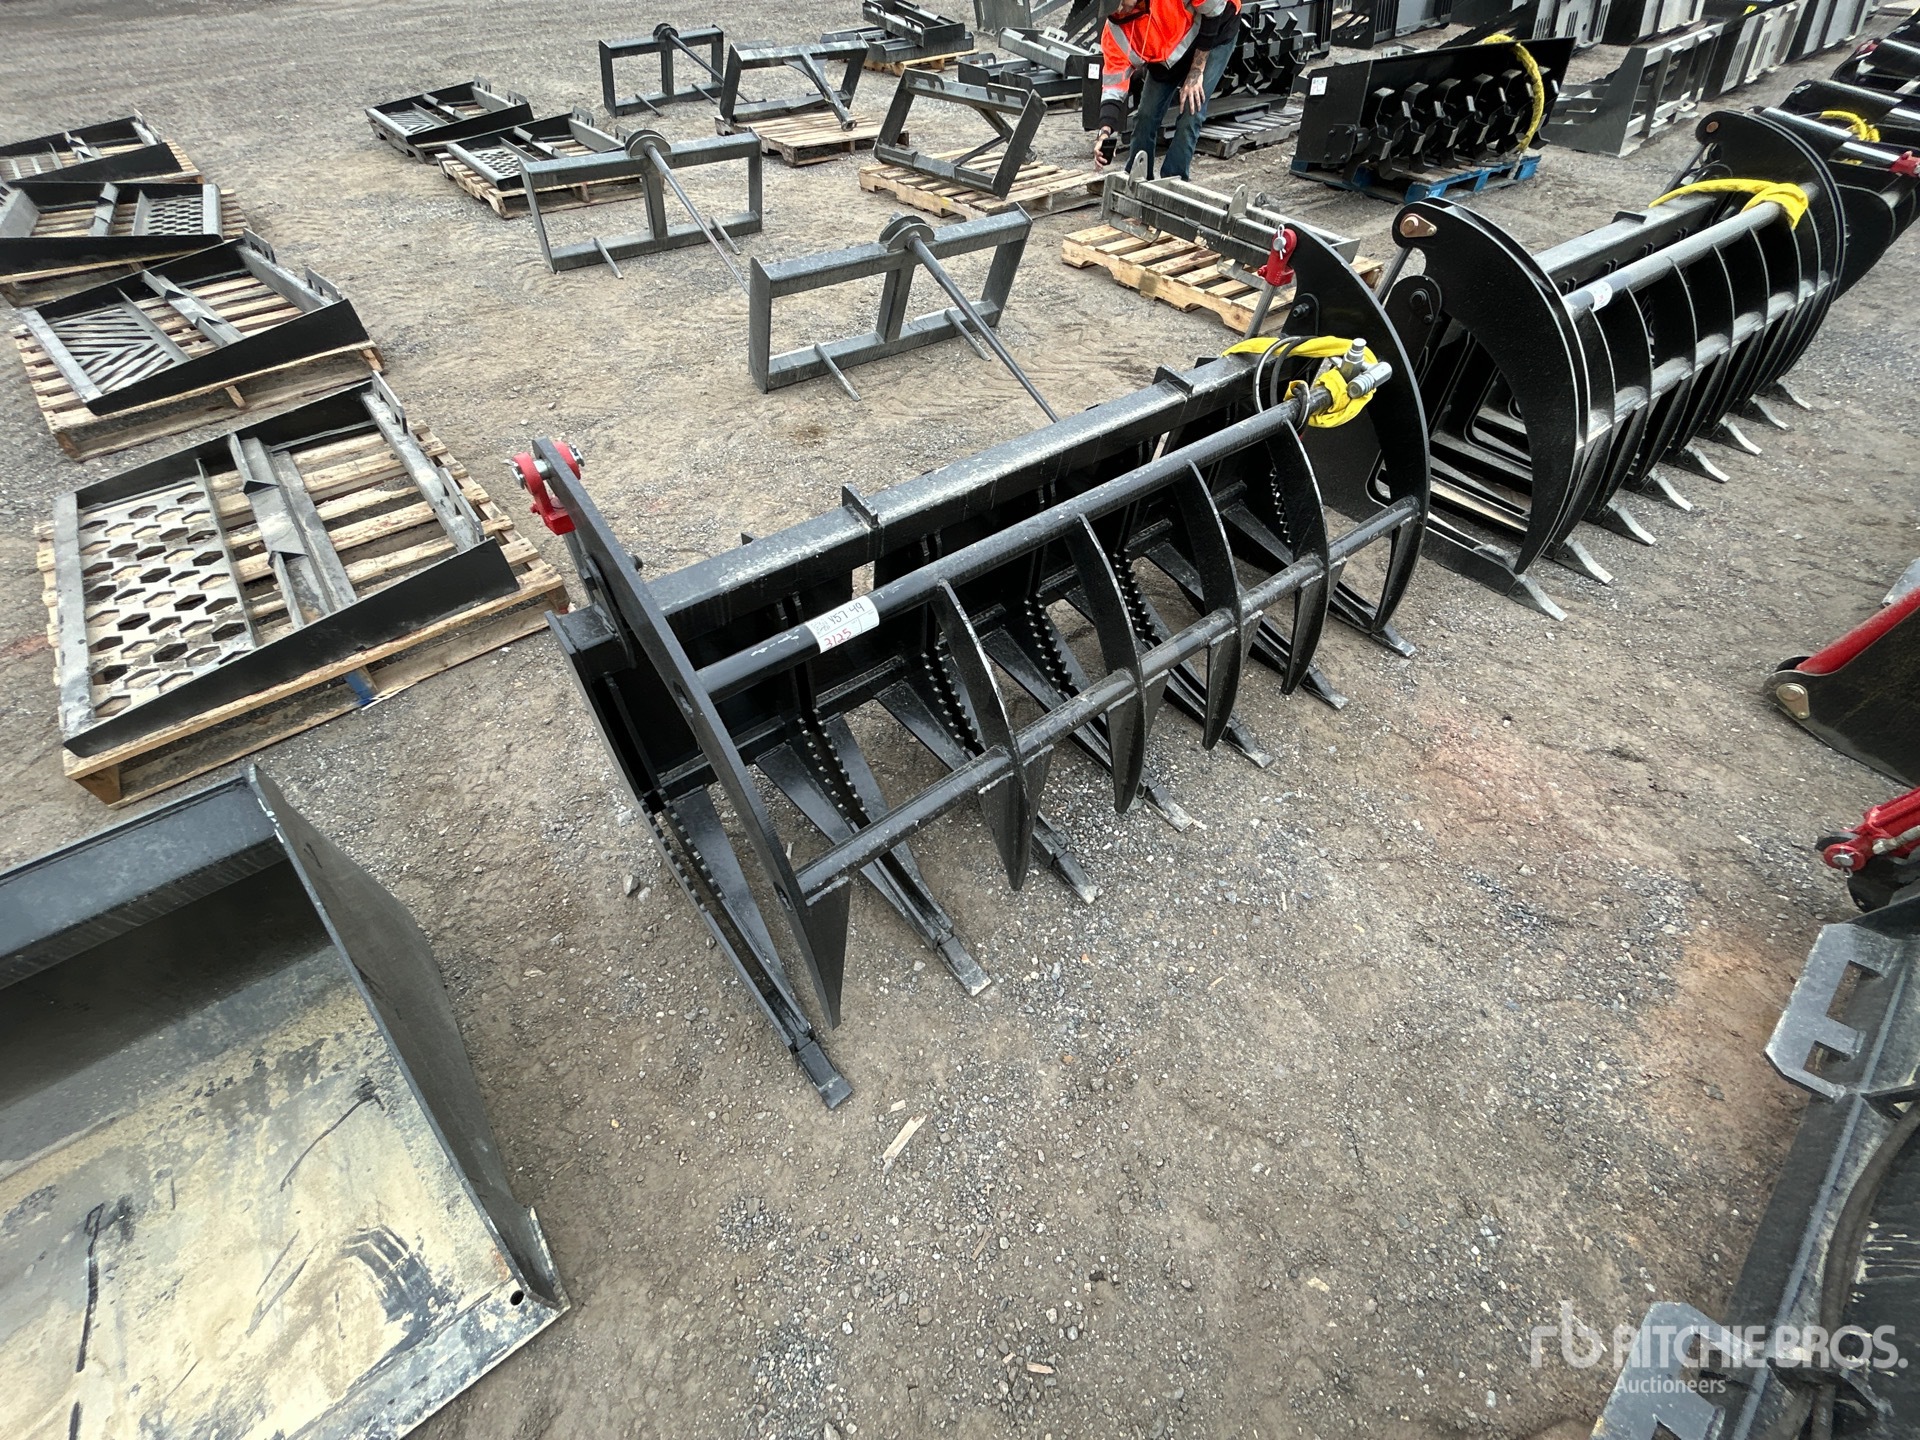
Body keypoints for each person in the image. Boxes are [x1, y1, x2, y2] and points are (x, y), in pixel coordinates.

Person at [1088, 0, 1242, 181]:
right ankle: (1138, 177)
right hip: (1167, 55)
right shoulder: (1115, 30)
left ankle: (1174, 181)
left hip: (1215, 31)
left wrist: (1196, 71)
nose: (1119, 9)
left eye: (1120, 2)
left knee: (1191, 112)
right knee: (1145, 116)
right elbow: (1113, 88)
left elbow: (1214, 10)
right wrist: (1104, 133)